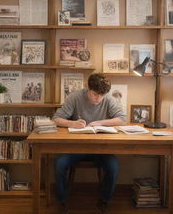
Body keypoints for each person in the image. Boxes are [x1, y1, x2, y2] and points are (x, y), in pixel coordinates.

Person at [53, 73, 126, 214]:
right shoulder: (75, 97)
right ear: (87, 87)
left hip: (100, 149)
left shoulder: (108, 98)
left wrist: (100, 122)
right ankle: (62, 201)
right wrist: (72, 123)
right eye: (95, 94)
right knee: (59, 164)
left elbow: (122, 119)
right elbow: (56, 119)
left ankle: (104, 200)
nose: (98, 98)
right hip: (76, 148)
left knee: (113, 166)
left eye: (102, 95)